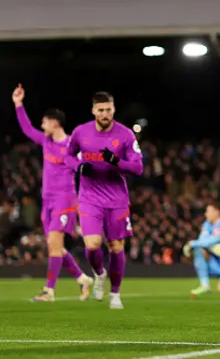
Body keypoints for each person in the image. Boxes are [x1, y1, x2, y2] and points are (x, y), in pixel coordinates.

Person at [12, 84, 93, 302]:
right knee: (55, 246)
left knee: (54, 245)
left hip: (64, 201)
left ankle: (49, 291)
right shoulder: (46, 141)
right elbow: (27, 129)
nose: (41, 125)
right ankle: (83, 279)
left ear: (54, 122)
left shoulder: (71, 146)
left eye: (44, 121)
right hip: (47, 200)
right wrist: (18, 104)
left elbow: (82, 167)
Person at [64, 92, 143, 309]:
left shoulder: (126, 135)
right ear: (93, 111)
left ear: (113, 109)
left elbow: (138, 167)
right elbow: (68, 156)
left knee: (116, 246)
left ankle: (115, 293)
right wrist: (78, 167)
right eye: (101, 110)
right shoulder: (81, 132)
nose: (105, 114)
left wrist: (117, 162)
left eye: (108, 109)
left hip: (117, 199)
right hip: (89, 198)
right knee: (92, 245)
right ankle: (99, 273)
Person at [183, 201, 220, 295]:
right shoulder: (207, 224)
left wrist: (191, 243)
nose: (205, 214)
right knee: (199, 249)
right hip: (216, 263)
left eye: (208, 211)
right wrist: (196, 245)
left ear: (217, 212)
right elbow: (202, 240)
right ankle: (204, 286)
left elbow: (212, 240)